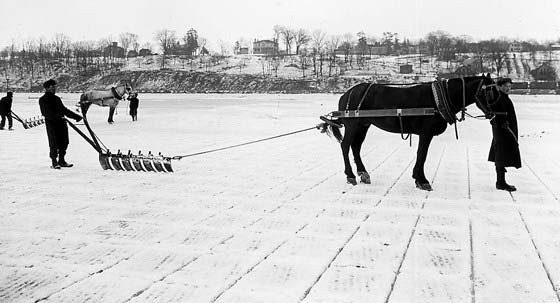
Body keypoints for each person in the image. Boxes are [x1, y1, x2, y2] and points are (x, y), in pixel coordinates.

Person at [39, 79, 83, 169]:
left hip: (62, 123)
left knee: (64, 142)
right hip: (51, 124)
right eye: (52, 87)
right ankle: (54, 162)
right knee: (53, 143)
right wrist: (58, 117)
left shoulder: (57, 99)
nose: (54, 88)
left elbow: (64, 110)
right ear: (47, 88)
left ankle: (62, 161)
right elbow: (46, 112)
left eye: (55, 87)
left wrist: (77, 117)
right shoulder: (43, 100)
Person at [487, 77, 521, 191]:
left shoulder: (504, 97)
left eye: (509, 87)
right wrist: (502, 123)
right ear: (500, 87)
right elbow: (493, 114)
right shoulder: (498, 98)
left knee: (501, 155)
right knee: (501, 155)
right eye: (505, 86)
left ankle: (501, 181)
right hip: (502, 132)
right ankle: (500, 182)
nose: (508, 88)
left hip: (506, 131)